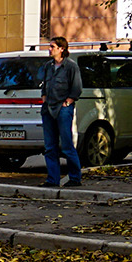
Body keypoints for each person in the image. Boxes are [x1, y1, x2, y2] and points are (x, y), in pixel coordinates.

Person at [40, 36, 83, 188]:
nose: (49, 49)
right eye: (49, 46)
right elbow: (44, 85)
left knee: (66, 145)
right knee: (50, 146)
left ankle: (75, 178)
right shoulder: (48, 66)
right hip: (48, 108)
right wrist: (44, 99)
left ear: (61, 49)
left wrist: (68, 102)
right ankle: (52, 179)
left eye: (52, 46)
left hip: (63, 109)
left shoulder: (71, 66)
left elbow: (77, 87)